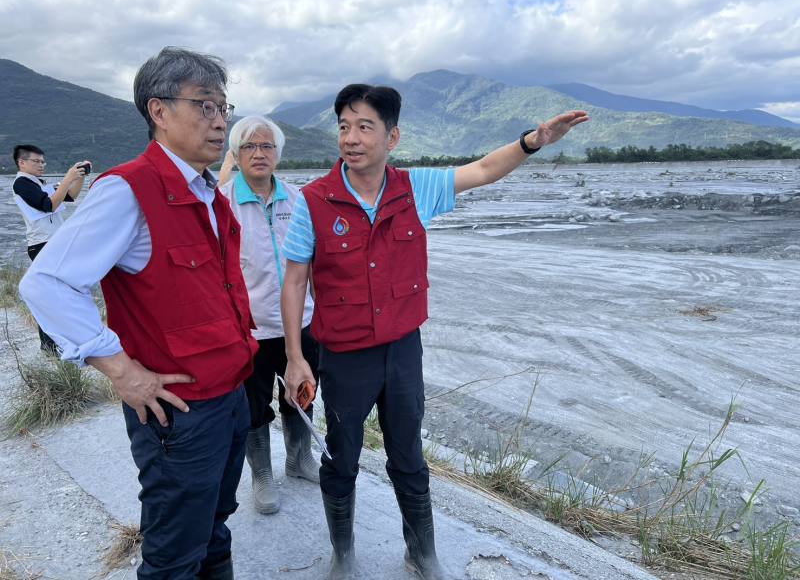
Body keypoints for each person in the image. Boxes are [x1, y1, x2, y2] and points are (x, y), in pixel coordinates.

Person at [280, 83, 588, 580]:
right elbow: (295, 281)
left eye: (364, 127)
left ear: (392, 137)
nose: (351, 138)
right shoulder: (312, 201)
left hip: (402, 351)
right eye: (343, 127)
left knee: (408, 456)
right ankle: (343, 555)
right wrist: (296, 356)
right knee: (340, 460)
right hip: (343, 355)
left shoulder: (414, 188)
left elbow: (484, 170)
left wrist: (532, 142)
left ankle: (420, 554)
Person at [20, 47, 257, 580]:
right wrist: (123, 372)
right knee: (174, 552)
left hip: (229, 393)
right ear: (159, 111)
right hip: (179, 411)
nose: (221, 121)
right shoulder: (128, 189)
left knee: (215, 525)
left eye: (224, 106)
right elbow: (47, 283)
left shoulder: (208, 193)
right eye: (204, 105)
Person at [217, 115, 319, 515]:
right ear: (236, 155)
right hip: (250, 328)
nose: (259, 154)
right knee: (253, 405)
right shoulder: (221, 203)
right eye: (249, 147)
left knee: (303, 393)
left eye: (267, 147)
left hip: (302, 321)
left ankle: (299, 459)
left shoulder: (299, 199)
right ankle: (261, 475)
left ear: (278, 154)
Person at [11, 144, 90, 351]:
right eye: (36, 161)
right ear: (22, 162)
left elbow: (70, 196)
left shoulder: (38, 183)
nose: (41, 165)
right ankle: (49, 345)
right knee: (49, 296)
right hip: (41, 244)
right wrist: (67, 177)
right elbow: (49, 205)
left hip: (54, 243)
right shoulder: (21, 184)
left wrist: (78, 175)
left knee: (60, 293)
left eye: (43, 161)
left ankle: (58, 342)